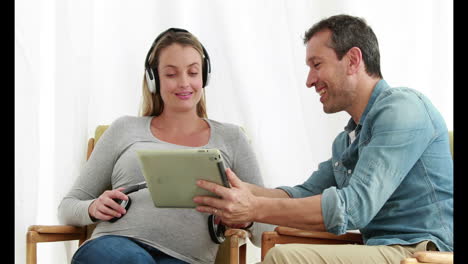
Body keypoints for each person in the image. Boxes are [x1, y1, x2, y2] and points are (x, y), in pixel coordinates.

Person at [193, 14, 453, 264]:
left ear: (352, 60)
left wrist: (254, 208)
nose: (309, 81)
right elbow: (301, 195)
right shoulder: (347, 141)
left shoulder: (404, 109)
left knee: (285, 258)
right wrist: (238, 192)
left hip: (423, 251)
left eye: (317, 65)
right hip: (381, 249)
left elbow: (355, 206)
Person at [58, 28, 268, 264]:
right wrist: (92, 208)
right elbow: (68, 207)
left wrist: (245, 218)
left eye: (193, 72)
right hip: (115, 245)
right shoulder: (124, 129)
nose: (184, 83)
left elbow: (265, 233)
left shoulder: (232, 138)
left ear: (204, 77)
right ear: (153, 79)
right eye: (171, 74)